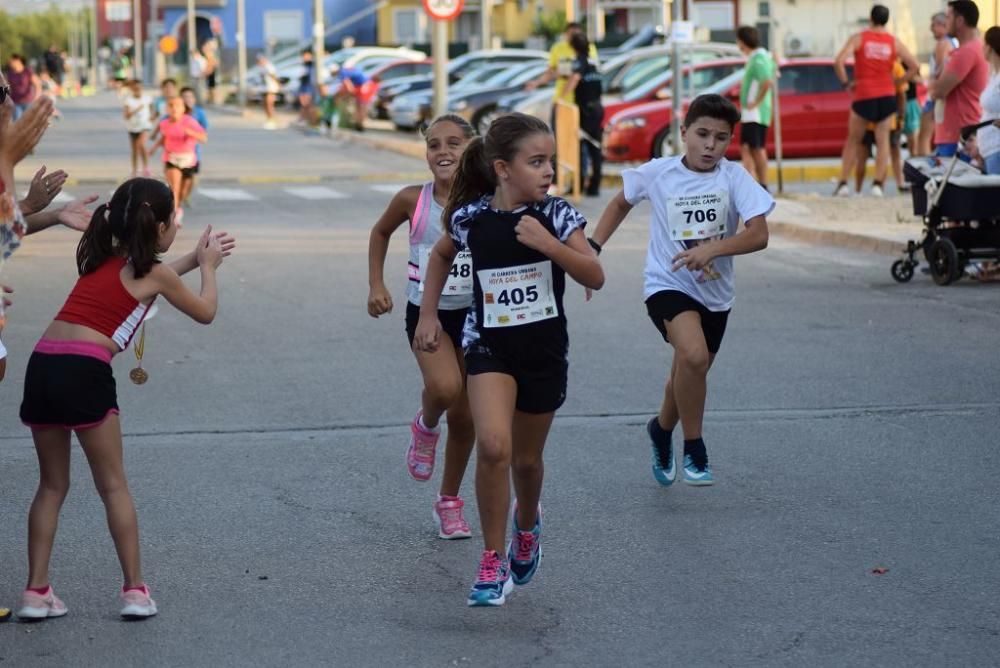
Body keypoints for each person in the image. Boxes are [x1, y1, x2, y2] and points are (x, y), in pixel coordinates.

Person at [15, 177, 234, 622]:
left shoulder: (103, 259)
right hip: (84, 371)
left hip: (42, 365)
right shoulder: (150, 273)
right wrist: (209, 266)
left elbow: (152, 277)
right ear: (160, 226)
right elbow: (205, 311)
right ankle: (135, 592)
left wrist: (194, 255)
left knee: (52, 485)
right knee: (113, 485)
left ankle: (36, 593)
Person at [414, 113, 604, 607]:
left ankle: (527, 523)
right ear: (502, 168)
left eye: (551, 162)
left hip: (543, 350)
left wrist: (548, 245)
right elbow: (438, 256)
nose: (548, 172)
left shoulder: (558, 216)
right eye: (536, 162)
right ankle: (493, 559)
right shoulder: (471, 217)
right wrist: (428, 315)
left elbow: (595, 274)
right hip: (488, 345)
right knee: (494, 447)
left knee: (526, 459)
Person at [590, 94, 773, 489]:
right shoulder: (660, 172)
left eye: (721, 138)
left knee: (691, 369)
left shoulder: (734, 177)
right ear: (684, 132)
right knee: (691, 355)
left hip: (715, 292)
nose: (711, 145)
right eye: (703, 134)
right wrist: (594, 246)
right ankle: (694, 446)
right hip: (666, 283)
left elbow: (759, 234)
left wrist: (713, 249)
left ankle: (660, 429)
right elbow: (621, 202)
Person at [367, 115, 478, 539]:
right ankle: (426, 424)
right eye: (434, 145)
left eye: (454, 143)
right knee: (447, 390)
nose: (443, 152)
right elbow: (379, 234)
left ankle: (448, 501)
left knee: (467, 417)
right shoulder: (412, 199)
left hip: (477, 315)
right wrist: (376, 283)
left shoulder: (487, 199)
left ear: (473, 148)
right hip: (426, 312)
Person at [833, 4, 919, 197]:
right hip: (887, 96)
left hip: (864, 95)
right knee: (883, 143)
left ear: (870, 18)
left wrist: (846, 83)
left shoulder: (859, 38)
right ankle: (878, 185)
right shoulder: (893, 41)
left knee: (853, 141)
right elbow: (913, 66)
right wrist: (898, 81)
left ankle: (843, 183)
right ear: (887, 20)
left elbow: (838, 61)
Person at [929, 1, 988, 158]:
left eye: (948, 17)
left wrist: (932, 84)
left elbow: (938, 91)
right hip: (957, 135)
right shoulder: (969, 49)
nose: (945, 22)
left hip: (957, 138)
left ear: (960, 21)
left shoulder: (966, 52)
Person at [149, 97, 207, 227]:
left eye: (177, 106)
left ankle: (178, 208)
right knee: (174, 188)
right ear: (167, 108)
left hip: (188, 159)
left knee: (183, 191)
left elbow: (204, 138)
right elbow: (164, 137)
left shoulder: (190, 121)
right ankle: (173, 216)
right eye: (171, 105)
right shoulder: (164, 123)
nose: (174, 108)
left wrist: (190, 132)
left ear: (183, 109)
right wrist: (153, 148)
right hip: (171, 158)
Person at [561, 32, 604, 197]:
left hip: (585, 110)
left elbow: (574, 79)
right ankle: (594, 186)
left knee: (579, 148)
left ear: (573, 47)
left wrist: (561, 98)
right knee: (595, 147)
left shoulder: (580, 62)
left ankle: (578, 184)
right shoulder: (594, 62)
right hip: (598, 108)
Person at [736, 25, 777, 189]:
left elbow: (767, 81)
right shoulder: (758, 57)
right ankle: (754, 184)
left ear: (743, 41)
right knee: (747, 147)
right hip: (750, 112)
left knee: (756, 148)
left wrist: (756, 103)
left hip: (756, 113)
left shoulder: (759, 59)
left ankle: (761, 184)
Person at [918, 13, 959, 156]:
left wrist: (930, 85)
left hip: (936, 96)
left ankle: (923, 175)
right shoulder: (953, 43)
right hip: (943, 96)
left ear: (943, 25)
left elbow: (940, 72)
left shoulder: (942, 44)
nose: (931, 28)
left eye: (934, 25)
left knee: (923, 137)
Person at [179, 86, 209, 206]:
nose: (188, 99)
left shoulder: (199, 113)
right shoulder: (176, 111)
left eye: (190, 96)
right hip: (176, 153)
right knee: (179, 177)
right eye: (185, 97)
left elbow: (204, 132)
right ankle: (178, 200)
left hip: (194, 153)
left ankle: (185, 195)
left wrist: (192, 133)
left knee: (190, 178)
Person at [978, 27, 1000, 175]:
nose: (981, 47)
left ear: (990, 47)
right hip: (989, 150)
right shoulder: (993, 76)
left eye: (983, 44)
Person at [330, 64, 376, 132]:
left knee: (361, 106)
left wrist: (345, 96)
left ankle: (360, 124)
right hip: (362, 85)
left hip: (364, 85)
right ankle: (358, 124)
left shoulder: (342, 73)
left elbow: (349, 87)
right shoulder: (345, 71)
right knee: (359, 106)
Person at [123, 79, 154, 177]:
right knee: (135, 149)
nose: (137, 89)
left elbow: (152, 110)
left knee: (141, 145)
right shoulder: (128, 100)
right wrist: (136, 110)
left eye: (139, 87)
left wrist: (151, 118)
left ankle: (146, 167)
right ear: (132, 89)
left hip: (144, 126)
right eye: (135, 88)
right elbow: (126, 115)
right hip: (132, 127)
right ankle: (134, 169)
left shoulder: (147, 98)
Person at [4, 55, 41, 121]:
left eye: (12, 61)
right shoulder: (9, 74)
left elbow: (37, 85)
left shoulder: (27, 72)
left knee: (28, 121)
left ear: (18, 61)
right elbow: (6, 87)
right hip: (15, 102)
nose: (10, 63)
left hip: (28, 101)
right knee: (17, 121)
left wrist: (37, 97)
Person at [256, 53, 280, 130]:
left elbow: (274, 76)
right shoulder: (261, 68)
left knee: (269, 104)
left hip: (271, 88)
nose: (259, 62)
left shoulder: (269, 66)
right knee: (265, 104)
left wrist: (278, 85)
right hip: (264, 88)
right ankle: (269, 119)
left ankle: (273, 120)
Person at [297, 50, 316, 126]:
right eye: (304, 56)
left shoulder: (312, 64)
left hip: (309, 86)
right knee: (303, 103)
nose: (305, 57)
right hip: (303, 86)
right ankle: (303, 119)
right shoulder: (303, 65)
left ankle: (310, 120)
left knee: (308, 104)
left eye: (307, 56)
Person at [202, 40, 219, 106]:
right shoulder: (208, 55)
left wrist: (208, 71)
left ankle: (213, 100)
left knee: (212, 87)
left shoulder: (209, 54)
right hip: (209, 73)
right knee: (209, 87)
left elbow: (213, 64)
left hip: (211, 73)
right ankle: (210, 100)